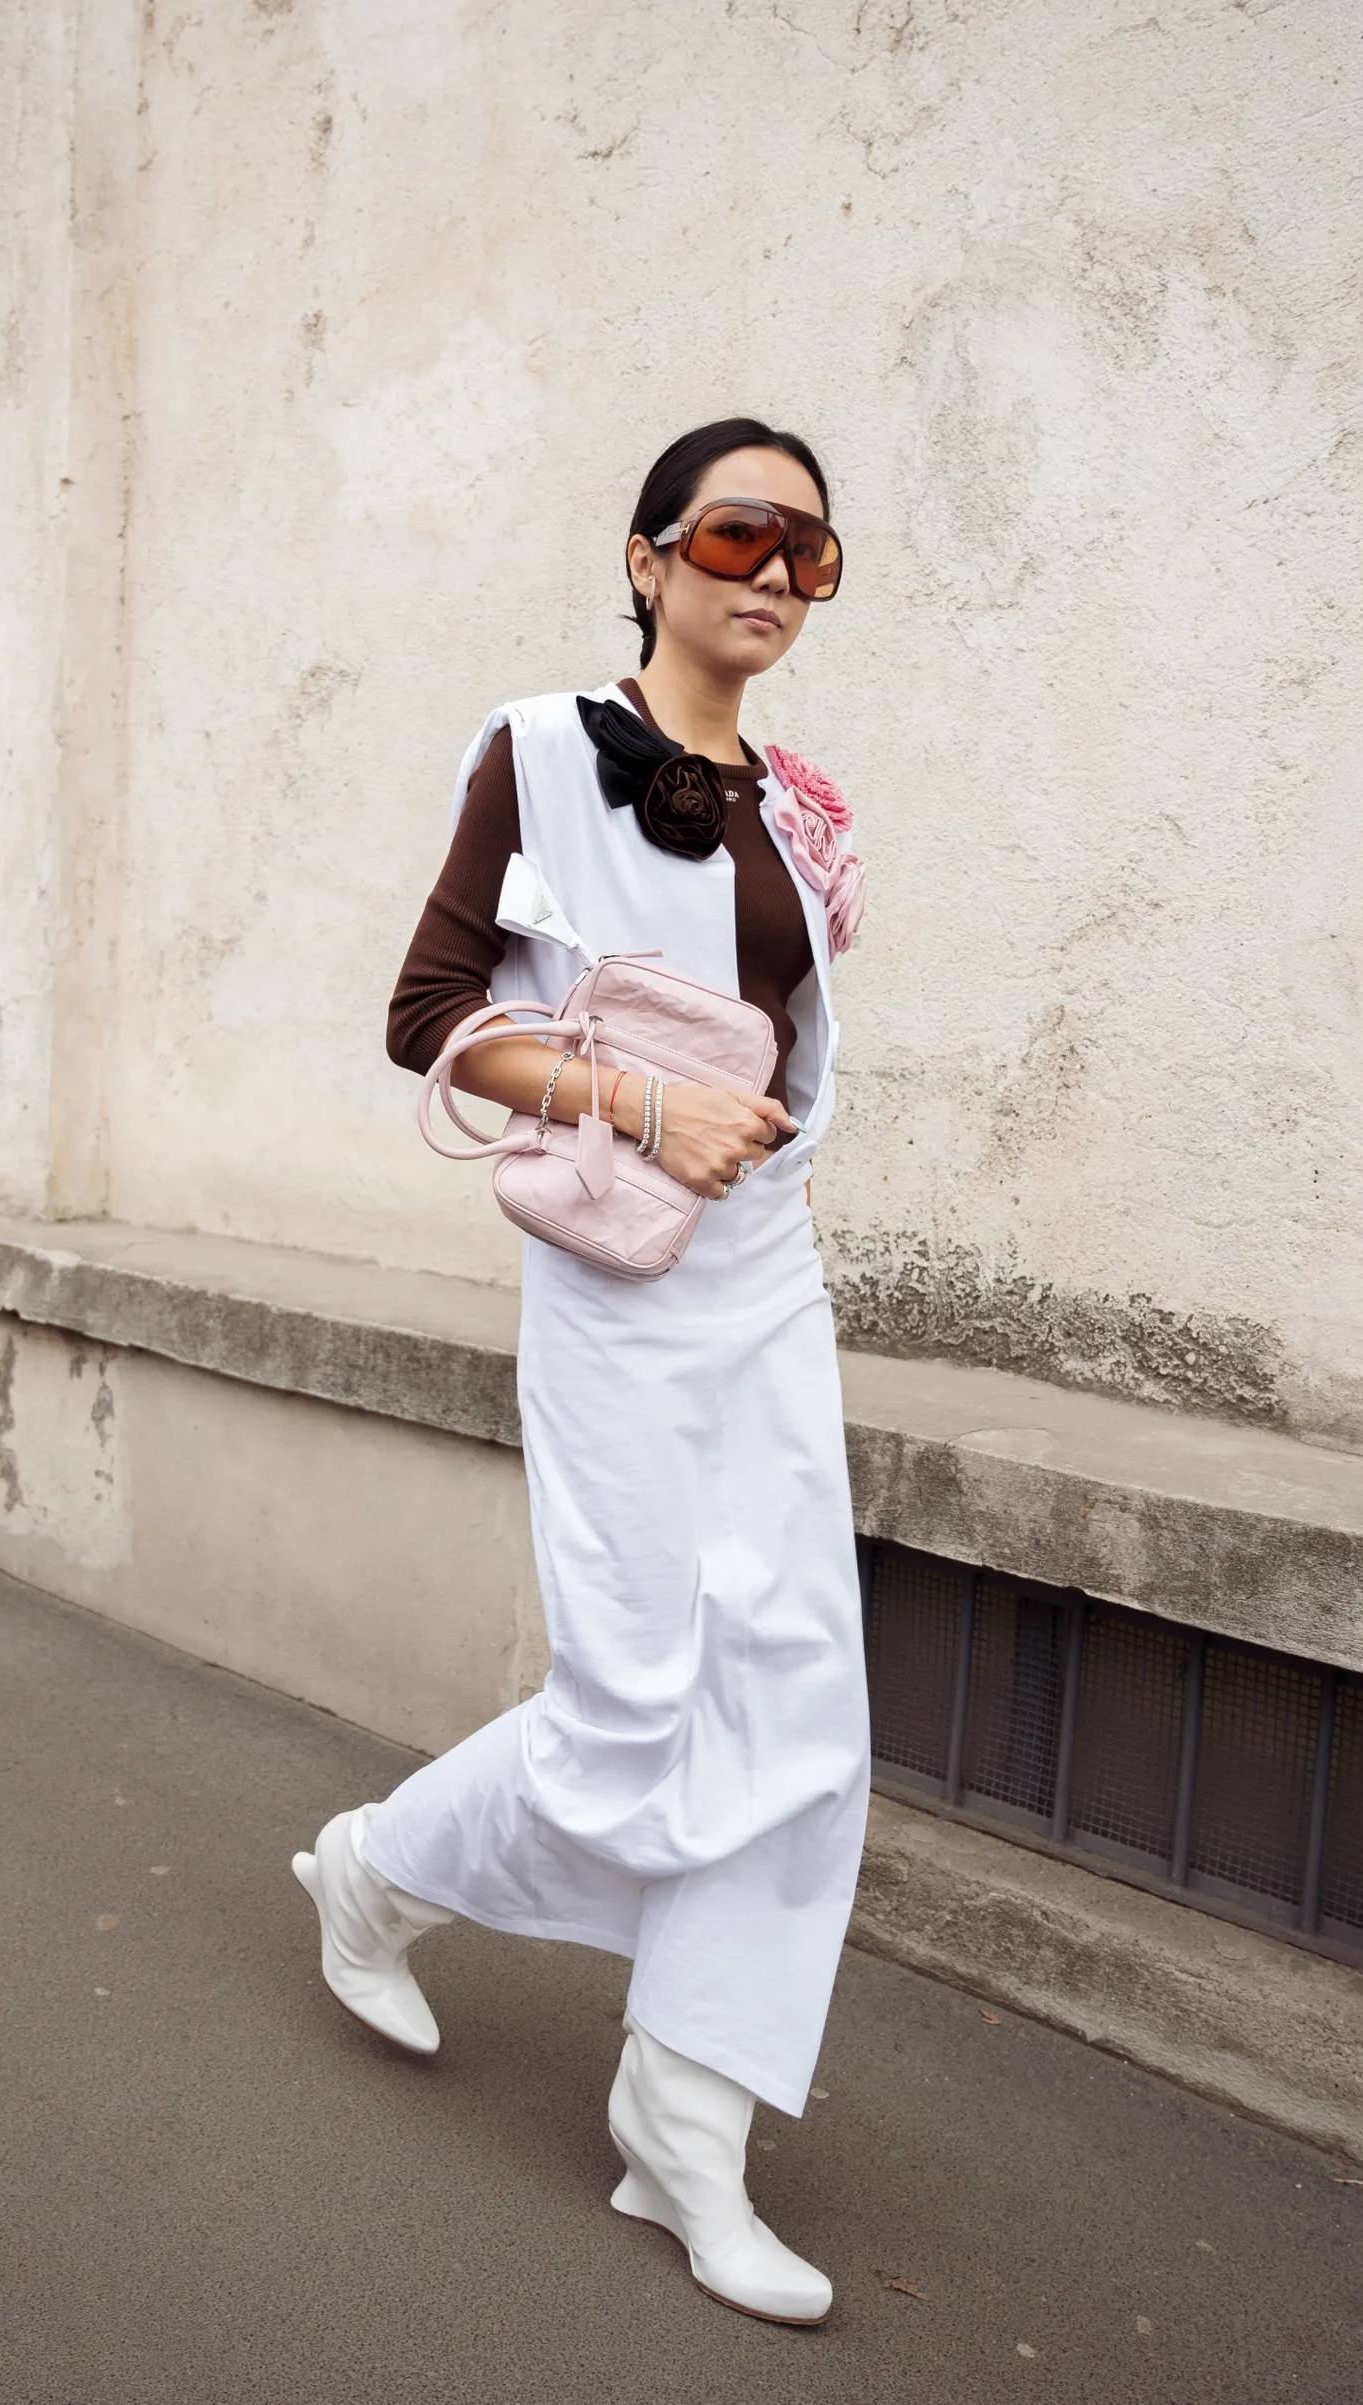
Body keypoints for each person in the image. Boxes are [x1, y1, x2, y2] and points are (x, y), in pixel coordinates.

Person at [291, 417, 871, 2329]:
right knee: (635, 1706)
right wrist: (638, 1094)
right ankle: (377, 1870)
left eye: (810, 547)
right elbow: (425, 1015)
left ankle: (682, 2125)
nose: (773, 570)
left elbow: (790, 1046)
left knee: (798, 1708)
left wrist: (754, 1124)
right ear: (648, 556)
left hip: (768, 1275)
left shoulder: (801, 803)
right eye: (736, 531)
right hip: (623, 1285)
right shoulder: (537, 744)